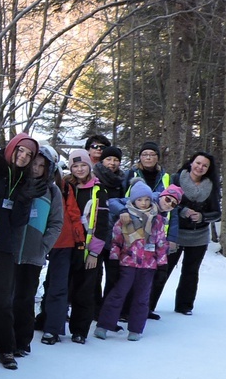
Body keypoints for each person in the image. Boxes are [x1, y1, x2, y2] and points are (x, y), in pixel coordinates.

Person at [0, 132, 45, 368]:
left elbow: (19, 221)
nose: (23, 157)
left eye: (28, 155)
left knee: (2, 299)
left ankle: (5, 348)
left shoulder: (24, 180)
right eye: (20, 151)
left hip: (5, 244)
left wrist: (24, 198)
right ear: (11, 149)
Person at [94, 181, 168, 341]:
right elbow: (116, 240)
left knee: (142, 297)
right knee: (118, 293)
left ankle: (136, 328)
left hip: (148, 265)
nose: (144, 203)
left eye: (147, 199)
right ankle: (104, 325)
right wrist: (114, 260)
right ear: (134, 200)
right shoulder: (124, 218)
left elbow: (161, 243)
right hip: (127, 263)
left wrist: (162, 264)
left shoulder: (157, 220)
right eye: (140, 199)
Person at [10, 145, 63, 354]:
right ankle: (1, 338)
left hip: (33, 254)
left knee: (25, 299)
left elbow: (56, 222)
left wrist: (44, 246)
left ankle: (22, 342)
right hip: (11, 252)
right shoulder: (17, 183)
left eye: (42, 166)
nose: (36, 168)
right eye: (34, 164)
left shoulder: (52, 191)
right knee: (6, 299)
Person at [157, 152, 221, 315]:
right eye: (198, 163)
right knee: (163, 270)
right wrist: (182, 210)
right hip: (175, 234)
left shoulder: (211, 185)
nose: (200, 167)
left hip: (199, 236)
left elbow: (217, 213)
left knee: (191, 272)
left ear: (208, 169)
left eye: (205, 165)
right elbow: (164, 201)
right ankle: (148, 304)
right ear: (191, 163)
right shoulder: (176, 179)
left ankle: (184, 306)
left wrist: (202, 216)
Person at [36, 153, 86, 345]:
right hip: (36, 240)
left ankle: (53, 329)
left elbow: (74, 214)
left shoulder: (64, 187)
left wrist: (79, 240)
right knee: (45, 284)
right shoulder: (31, 183)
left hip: (63, 242)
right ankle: (43, 320)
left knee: (57, 286)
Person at [64, 149, 109, 344]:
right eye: (75, 166)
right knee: (64, 286)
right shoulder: (67, 187)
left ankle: (79, 330)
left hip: (90, 248)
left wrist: (95, 252)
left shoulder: (98, 190)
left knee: (85, 289)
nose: (79, 169)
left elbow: (102, 224)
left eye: (83, 165)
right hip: (68, 246)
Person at [92, 145, 125, 317]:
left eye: (116, 160)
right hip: (96, 234)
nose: (112, 163)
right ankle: (95, 309)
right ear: (102, 160)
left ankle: (108, 310)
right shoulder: (94, 177)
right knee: (94, 274)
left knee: (113, 275)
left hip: (117, 236)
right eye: (109, 159)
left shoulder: (122, 180)